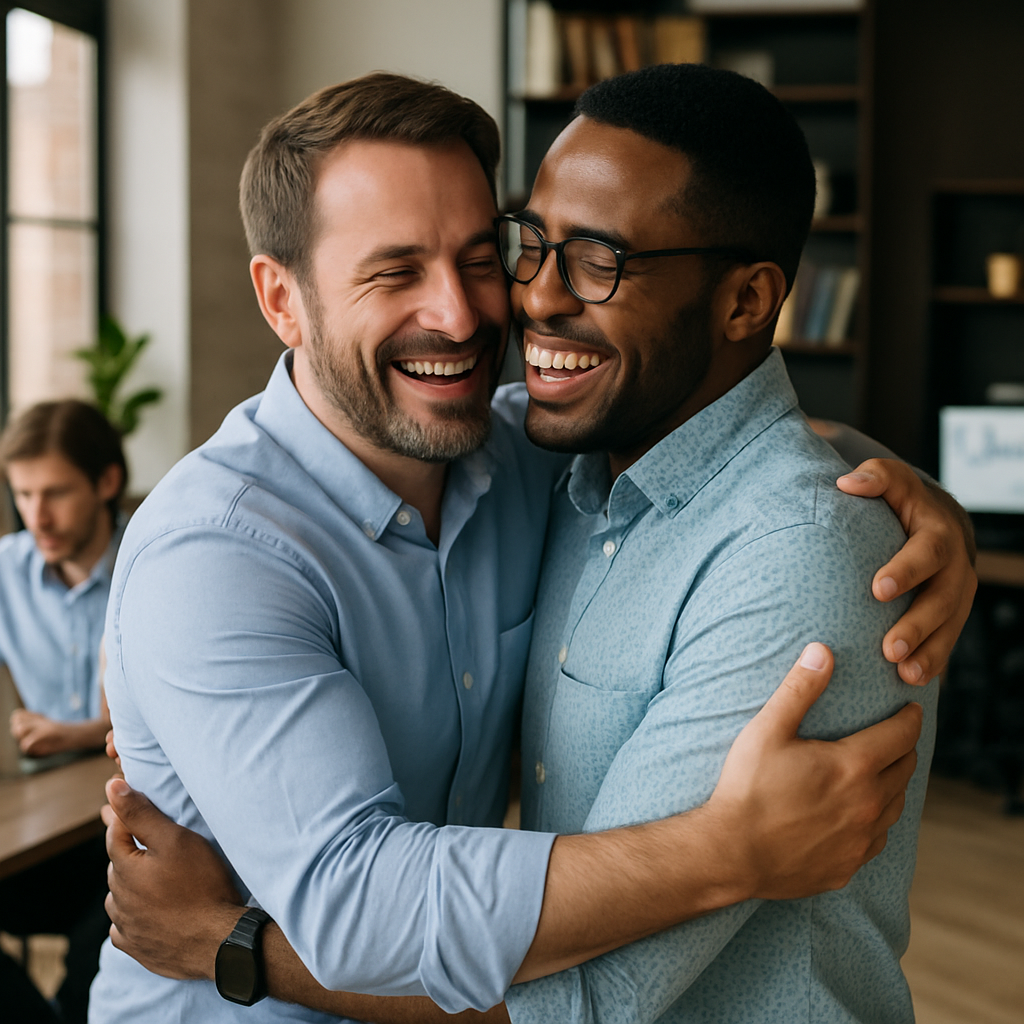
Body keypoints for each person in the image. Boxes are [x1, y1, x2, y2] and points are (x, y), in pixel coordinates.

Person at [94, 74, 973, 1024]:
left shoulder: (513, 457)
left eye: (482, 258)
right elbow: (357, 902)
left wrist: (908, 498)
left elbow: (727, 445)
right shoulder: (215, 556)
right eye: (395, 272)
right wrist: (726, 849)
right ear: (282, 299)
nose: (470, 315)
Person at [0, 398, 126, 1024]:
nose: (36, 515)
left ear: (106, 482)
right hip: (32, 826)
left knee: (98, 943)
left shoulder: (155, 562)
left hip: (113, 831)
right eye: (23, 495)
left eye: (55, 493)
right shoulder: (5, 572)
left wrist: (76, 733)